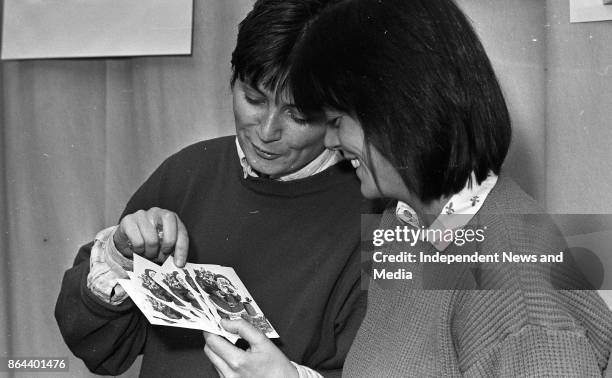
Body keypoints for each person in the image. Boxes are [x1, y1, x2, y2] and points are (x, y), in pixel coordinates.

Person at [283, 0, 612, 376]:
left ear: (400, 112)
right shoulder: (403, 222)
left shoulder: (514, 285)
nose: (327, 141)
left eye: (337, 120)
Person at [55, 0, 375, 376]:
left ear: (339, 113)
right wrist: (119, 259)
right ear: (231, 80)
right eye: (254, 99)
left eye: (299, 115)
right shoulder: (188, 173)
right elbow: (99, 348)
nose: (268, 131)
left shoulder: (380, 213)